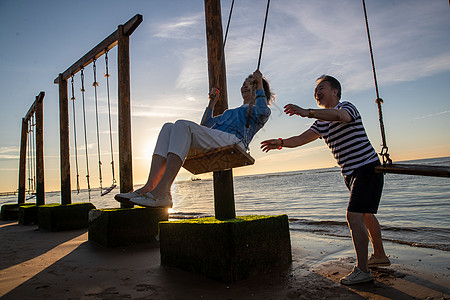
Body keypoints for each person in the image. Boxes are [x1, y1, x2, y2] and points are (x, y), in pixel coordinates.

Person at [261, 75, 390, 285]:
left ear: (335, 92)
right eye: (315, 91)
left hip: (366, 167)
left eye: (322, 88)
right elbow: (302, 138)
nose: (317, 92)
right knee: (365, 215)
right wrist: (281, 142)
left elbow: (342, 117)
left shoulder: (347, 107)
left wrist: (307, 112)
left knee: (354, 217)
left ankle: (363, 270)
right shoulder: (321, 123)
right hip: (351, 173)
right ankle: (379, 256)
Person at [115, 69, 272, 208]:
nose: (245, 86)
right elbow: (204, 125)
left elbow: (263, 113)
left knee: (183, 125)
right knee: (168, 127)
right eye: (244, 83)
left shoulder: (258, 109)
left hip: (234, 141)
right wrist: (212, 104)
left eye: (251, 83)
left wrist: (259, 84)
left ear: (259, 89)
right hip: (217, 139)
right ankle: (149, 187)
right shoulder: (229, 112)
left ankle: (163, 192)